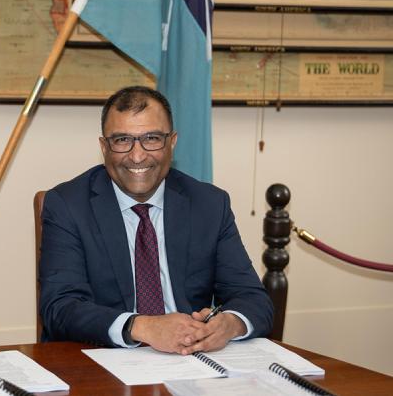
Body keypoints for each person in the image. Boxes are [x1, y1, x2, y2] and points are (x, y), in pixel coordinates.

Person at [39, 86, 272, 355]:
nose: (137, 155)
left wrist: (229, 325)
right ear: (104, 147)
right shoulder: (68, 205)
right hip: (104, 362)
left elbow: (254, 299)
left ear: (172, 142)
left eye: (151, 138)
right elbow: (59, 308)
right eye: (122, 140)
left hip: (190, 361)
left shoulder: (209, 204)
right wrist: (143, 327)